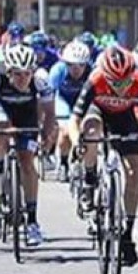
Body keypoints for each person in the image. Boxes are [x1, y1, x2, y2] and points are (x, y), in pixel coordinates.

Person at [70, 45, 138, 267]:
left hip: (124, 118)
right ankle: (90, 180)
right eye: (115, 82)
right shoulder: (95, 79)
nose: (121, 87)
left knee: (134, 170)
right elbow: (75, 119)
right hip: (97, 112)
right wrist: (76, 143)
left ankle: (127, 234)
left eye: (125, 81)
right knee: (91, 132)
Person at [0, 43, 58, 247]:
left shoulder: (40, 79)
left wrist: (47, 135)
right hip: (0, 108)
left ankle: (31, 221)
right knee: (2, 130)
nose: (23, 79)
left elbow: (49, 112)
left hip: (27, 113)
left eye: (27, 74)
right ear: (8, 71)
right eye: (17, 74)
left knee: (27, 162)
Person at [50, 41, 92, 180]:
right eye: (71, 65)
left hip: (83, 101)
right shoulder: (58, 71)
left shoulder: (92, 72)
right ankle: (63, 162)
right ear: (65, 63)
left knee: (88, 130)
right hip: (63, 100)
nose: (76, 69)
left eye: (81, 65)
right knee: (66, 131)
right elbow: (49, 96)